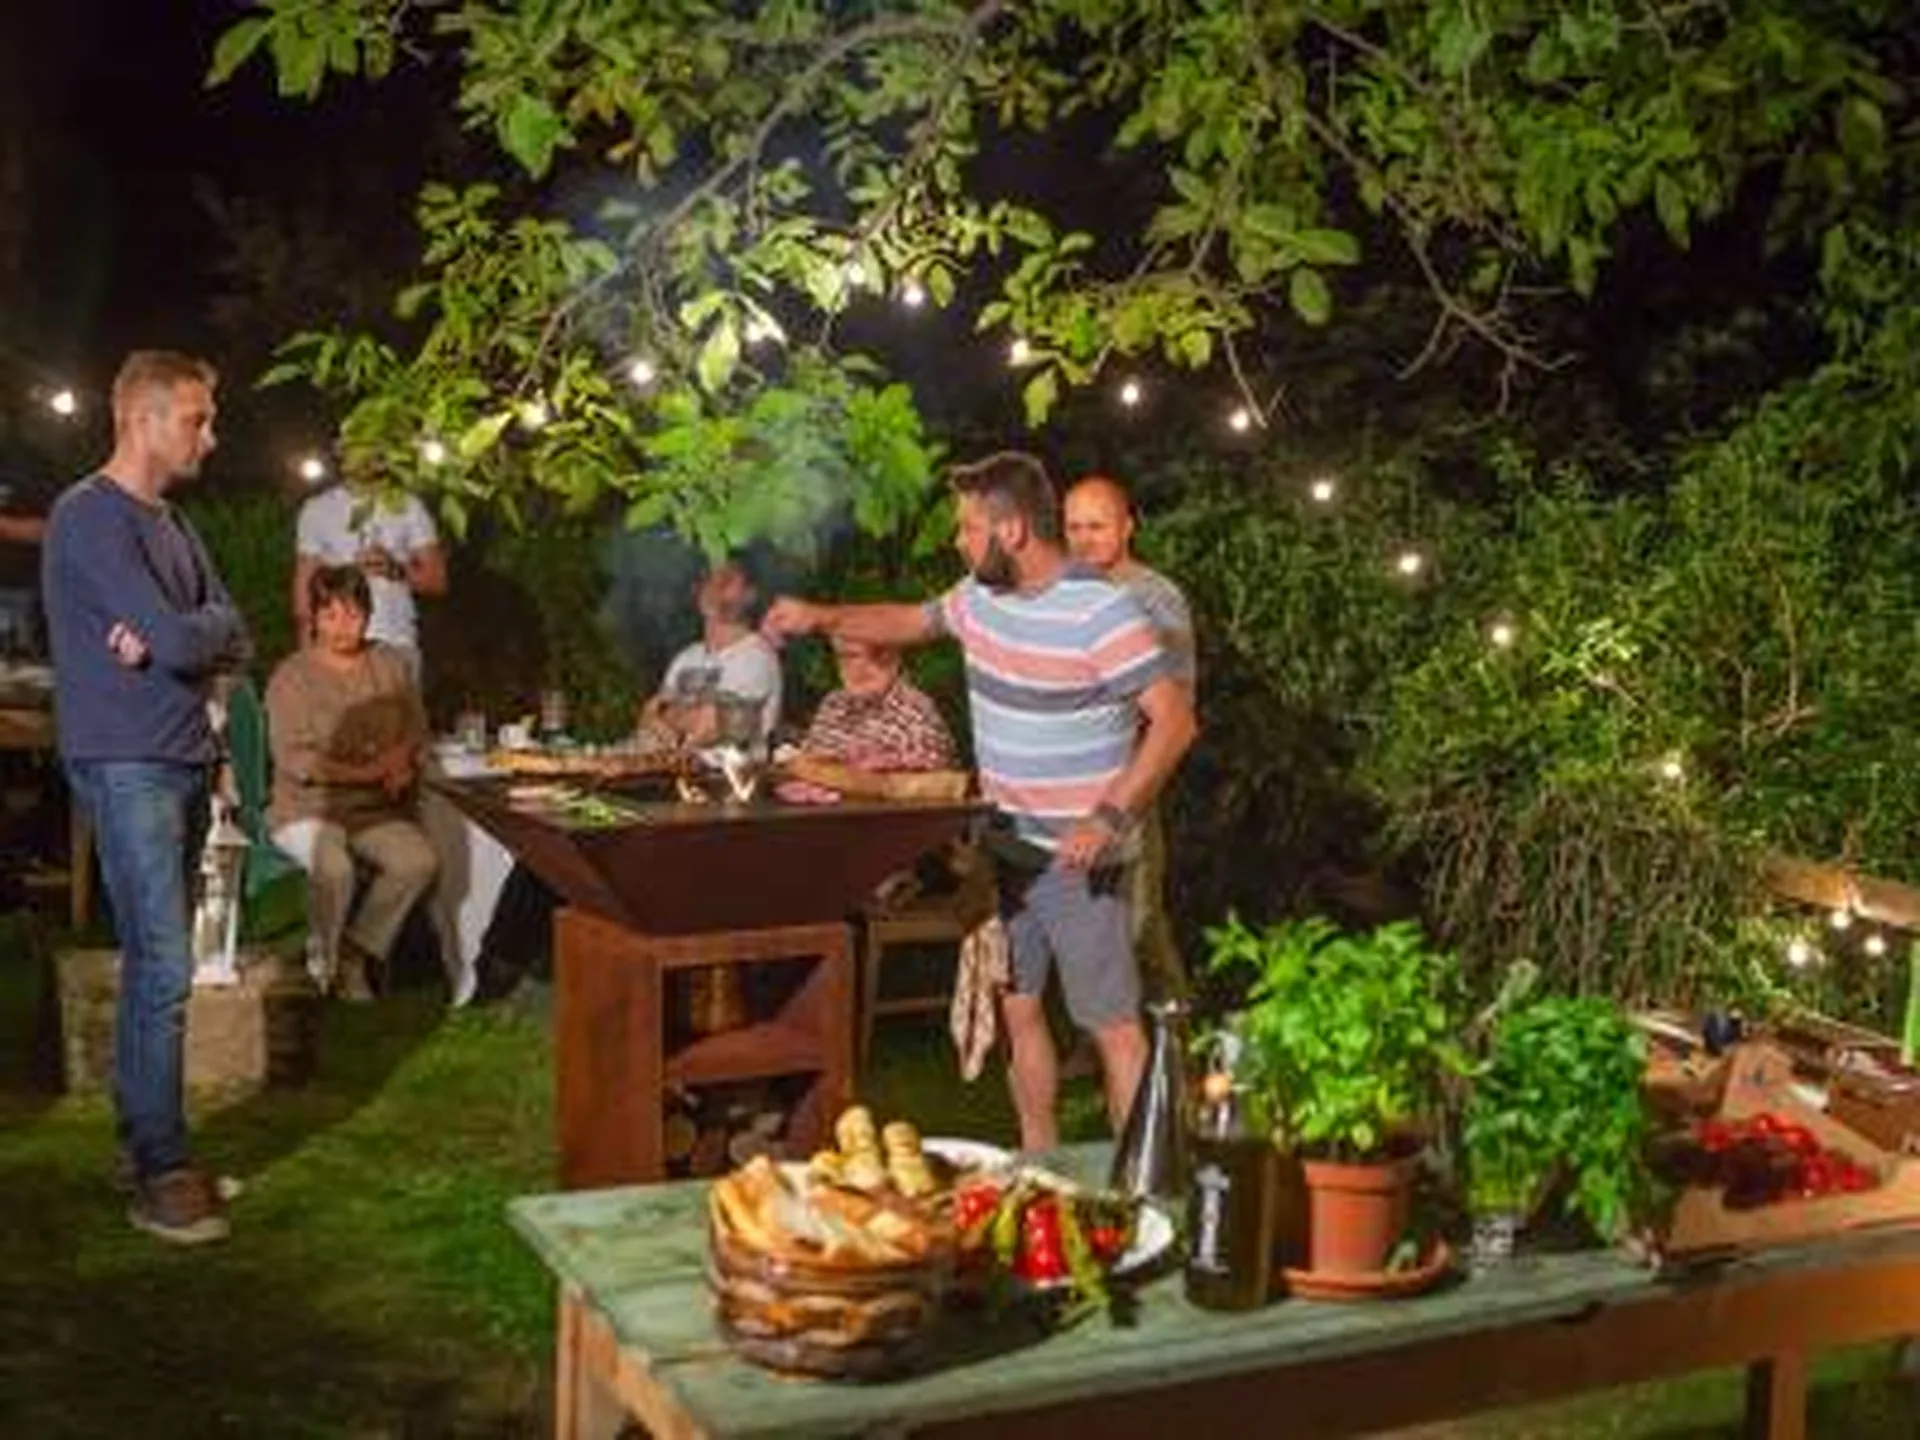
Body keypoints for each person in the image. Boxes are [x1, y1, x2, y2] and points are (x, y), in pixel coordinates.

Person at [764, 451, 1199, 1151]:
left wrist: (1108, 815)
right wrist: (821, 617)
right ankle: (1038, 1161)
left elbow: (1175, 724)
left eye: (968, 527)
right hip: (1005, 851)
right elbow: (909, 621)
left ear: (1013, 530)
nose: (958, 541)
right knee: (1018, 1013)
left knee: (1113, 1029)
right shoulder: (979, 597)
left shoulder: (1103, 610)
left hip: (1079, 861)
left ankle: (1145, 1188)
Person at [41, 349, 250, 1245]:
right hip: (126, 760)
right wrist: (182, 637)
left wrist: (181, 637)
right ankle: (162, 1171)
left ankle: (146, 1150)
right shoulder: (89, 516)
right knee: (164, 965)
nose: (212, 435)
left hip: (183, 756)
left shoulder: (174, 525)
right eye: (198, 418)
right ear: (144, 419)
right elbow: (181, 638)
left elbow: (230, 631)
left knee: (157, 965)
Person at [266, 564, 440, 1002]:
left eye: (353, 615)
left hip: (373, 809)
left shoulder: (390, 663)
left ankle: (355, 953)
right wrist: (368, 772)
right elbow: (296, 760)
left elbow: (417, 728)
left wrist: (403, 762)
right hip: (309, 808)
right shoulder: (292, 677)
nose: (343, 626)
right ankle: (321, 968)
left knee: (418, 861)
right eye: (330, 615)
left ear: (368, 615)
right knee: (335, 868)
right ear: (314, 618)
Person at [1063, 473, 1197, 998]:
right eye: (1074, 527)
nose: (1083, 539)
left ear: (1126, 527)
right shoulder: (1060, 594)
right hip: (1066, 781)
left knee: (1138, 924)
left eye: (1096, 527)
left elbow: (1176, 705)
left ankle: (1175, 1038)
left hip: (1127, 780)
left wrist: (1139, 787)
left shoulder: (1155, 598)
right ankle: (1094, 1035)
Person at [293, 468, 446, 677]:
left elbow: (437, 580)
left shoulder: (408, 504)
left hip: (393, 642)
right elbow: (304, 591)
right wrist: (307, 660)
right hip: (334, 648)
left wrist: (395, 569)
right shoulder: (318, 509)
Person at [639, 556, 783, 749]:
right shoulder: (686, 657)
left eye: (727, 580)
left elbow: (710, 727)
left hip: (727, 768)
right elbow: (648, 716)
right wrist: (666, 716)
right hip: (673, 763)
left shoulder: (757, 657)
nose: (714, 588)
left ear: (750, 594)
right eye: (708, 579)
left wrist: (668, 714)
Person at [800, 637, 957, 774]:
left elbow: (937, 786)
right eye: (847, 656)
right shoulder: (833, 704)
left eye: (876, 655)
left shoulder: (915, 710)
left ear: (895, 659)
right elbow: (809, 765)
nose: (859, 666)